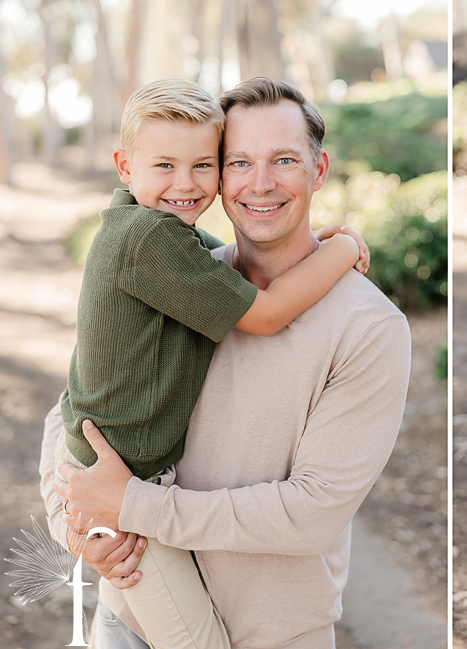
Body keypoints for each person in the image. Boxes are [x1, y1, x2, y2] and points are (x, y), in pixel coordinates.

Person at [40, 76, 412, 649]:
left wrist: (136, 505)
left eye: (283, 159)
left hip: (274, 633)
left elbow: (310, 512)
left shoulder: (368, 326)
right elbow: (73, 407)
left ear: (318, 169)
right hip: (130, 617)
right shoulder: (182, 279)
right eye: (238, 162)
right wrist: (76, 525)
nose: (259, 183)